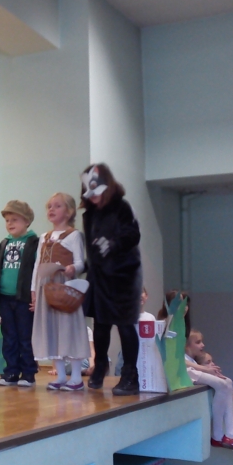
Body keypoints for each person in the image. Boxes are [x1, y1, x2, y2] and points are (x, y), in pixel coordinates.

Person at [81, 164, 142, 396]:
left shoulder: (122, 207)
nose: (92, 197)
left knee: (125, 326)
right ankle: (100, 367)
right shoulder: (90, 215)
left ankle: (130, 375)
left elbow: (133, 235)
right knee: (101, 325)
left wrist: (113, 244)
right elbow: (92, 250)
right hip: (100, 277)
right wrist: (83, 267)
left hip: (123, 277)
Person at [31, 193, 89, 391]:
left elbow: (80, 262)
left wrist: (73, 268)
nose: (51, 209)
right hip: (46, 286)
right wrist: (33, 289)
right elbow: (37, 265)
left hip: (64, 286)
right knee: (52, 329)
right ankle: (61, 375)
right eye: (49, 206)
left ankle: (76, 377)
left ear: (69, 211)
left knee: (68, 328)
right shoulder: (43, 237)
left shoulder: (74, 235)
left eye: (57, 206)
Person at [0, 200, 39, 387]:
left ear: (27, 221)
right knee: (9, 337)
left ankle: (28, 373)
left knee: (25, 337)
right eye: (7, 220)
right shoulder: (4, 244)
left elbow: (39, 272)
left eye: (15, 219)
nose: (10, 223)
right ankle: (11, 372)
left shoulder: (34, 243)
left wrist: (38, 296)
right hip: (5, 299)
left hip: (24, 299)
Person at [185, 329, 233, 454]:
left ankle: (231, 434)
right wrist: (205, 370)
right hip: (187, 373)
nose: (202, 345)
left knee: (228, 382)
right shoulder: (183, 358)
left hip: (192, 370)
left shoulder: (192, 360)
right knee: (222, 384)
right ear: (187, 345)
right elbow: (184, 363)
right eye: (198, 342)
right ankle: (217, 435)